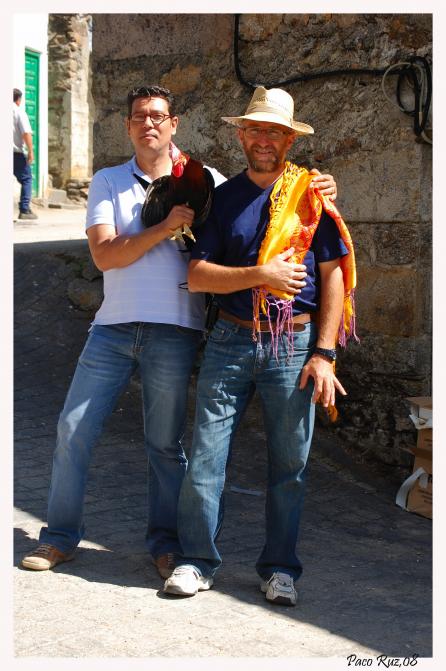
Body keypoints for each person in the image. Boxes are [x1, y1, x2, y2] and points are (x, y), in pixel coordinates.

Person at [21, 84, 338, 578]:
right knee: (71, 430)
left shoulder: (209, 182)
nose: (148, 123)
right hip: (112, 329)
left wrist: (320, 188)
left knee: (166, 447)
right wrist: (165, 227)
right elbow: (105, 255)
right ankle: (60, 537)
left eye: (158, 116)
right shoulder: (108, 180)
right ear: (128, 126)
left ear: (174, 124)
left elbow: (279, 203)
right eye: (139, 116)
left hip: (177, 331)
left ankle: (169, 546)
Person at [164, 86, 357, 606]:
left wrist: (325, 353)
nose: (264, 139)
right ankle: (196, 561)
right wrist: (261, 274)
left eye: (274, 131)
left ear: (290, 139)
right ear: (241, 136)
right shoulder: (222, 199)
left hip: (294, 344)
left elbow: (333, 276)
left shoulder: (311, 196)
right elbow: (198, 276)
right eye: (255, 130)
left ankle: (280, 569)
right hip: (230, 338)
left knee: (290, 466)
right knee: (205, 458)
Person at [13, 88, 38, 220]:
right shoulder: (18, 112)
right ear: (19, 100)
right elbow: (26, 133)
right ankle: (24, 210)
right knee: (27, 178)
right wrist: (31, 151)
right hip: (15, 154)